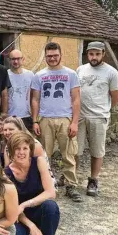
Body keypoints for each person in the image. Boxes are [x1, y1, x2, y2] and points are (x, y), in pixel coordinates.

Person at [31, 42, 82, 202]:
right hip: (45, 118)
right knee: (44, 155)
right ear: (45, 56)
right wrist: (35, 121)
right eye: (49, 56)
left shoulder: (70, 74)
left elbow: (76, 99)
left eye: (55, 55)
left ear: (61, 55)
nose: (52, 58)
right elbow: (35, 99)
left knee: (68, 154)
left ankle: (71, 185)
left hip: (64, 118)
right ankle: (46, 185)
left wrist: (74, 122)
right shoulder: (39, 75)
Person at [76, 41, 118, 197]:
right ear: (87, 54)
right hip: (80, 116)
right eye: (91, 54)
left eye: (97, 54)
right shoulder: (80, 69)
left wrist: (103, 110)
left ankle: (93, 180)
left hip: (98, 116)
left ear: (103, 54)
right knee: (75, 149)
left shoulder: (111, 72)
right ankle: (72, 177)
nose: (93, 57)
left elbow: (116, 97)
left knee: (97, 151)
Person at [4, 132, 60, 235]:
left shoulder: (39, 162)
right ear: (11, 151)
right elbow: (12, 208)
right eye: (17, 148)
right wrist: (31, 226)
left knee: (51, 206)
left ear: (30, 150)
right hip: (19, 217)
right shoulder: (6, 174)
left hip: (38, 209)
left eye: (25, 148)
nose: (21, 152)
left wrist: (24, 205)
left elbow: (50, 193)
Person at [7, 49, 35, 132]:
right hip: (11, 117)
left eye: (18, 58)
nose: (16, 61)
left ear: (23, 59)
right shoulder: (6, 74)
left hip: (27, 116)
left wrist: (34, 118)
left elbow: (34, 97)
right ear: (9, 60)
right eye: (13, 59)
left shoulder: (30, 75)